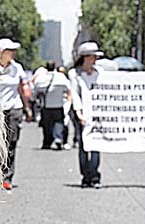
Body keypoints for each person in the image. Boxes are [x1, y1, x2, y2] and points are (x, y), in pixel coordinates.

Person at [0, 38, 32, 190]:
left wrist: (27, 107)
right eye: (9, 51)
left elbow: (21, 89)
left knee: (11, 143)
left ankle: (7, 177)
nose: (13, 54)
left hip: (14, 108)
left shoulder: (17, 68)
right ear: (1, 52)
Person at [69, 41, 104, 188]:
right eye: (91, 57)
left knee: (96, 143)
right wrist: (79, 112)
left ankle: (95, 175)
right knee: (83, 145)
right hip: (81, 113)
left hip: (96, 114)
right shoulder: (74, 74)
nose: (94, 60)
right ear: (84, 57)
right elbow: (75, 93)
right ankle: (86, 175)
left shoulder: (99, 73)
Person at [34, 61, 71, 150]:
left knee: (47, 126)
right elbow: (68, 88)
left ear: (46, 68)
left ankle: (47, 142)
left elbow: (35, 89)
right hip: (58, 105)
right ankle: (58, 138)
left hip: (46, 106)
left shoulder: (41, 78)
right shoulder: (61, 77)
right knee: (59, 123)